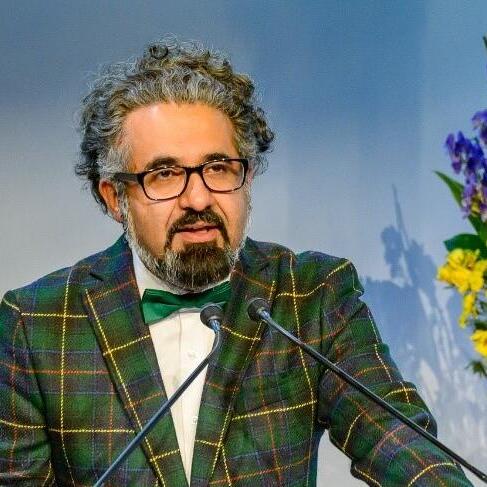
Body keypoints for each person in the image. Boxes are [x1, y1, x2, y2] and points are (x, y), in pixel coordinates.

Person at [0, 38, 473, 486]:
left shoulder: (311, 295)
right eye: (165, 174)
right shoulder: (34, 323)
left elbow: (401, 443)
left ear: (247, 179)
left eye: (218, 168)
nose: (198, 198)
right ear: (114, 197)